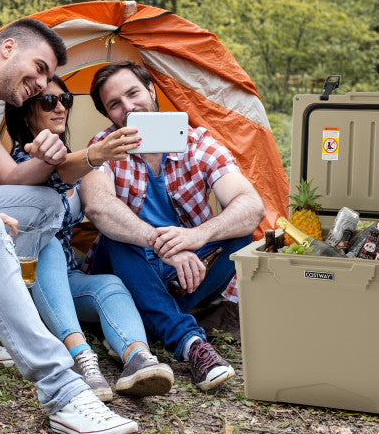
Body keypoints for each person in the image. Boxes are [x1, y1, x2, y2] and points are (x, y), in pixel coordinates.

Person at [0, 19, 137, 434]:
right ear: (8, 48)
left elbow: (12, 177)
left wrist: (52, 154)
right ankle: (63, 391)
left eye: (49, 78)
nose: (41, 84)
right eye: (37, 68)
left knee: (44, 205)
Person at [79, 61, 266, 391]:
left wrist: (195, 237)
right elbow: (97, 206)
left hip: (182, 272)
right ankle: (192, 345)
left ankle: (146, 323)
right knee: (116, 234)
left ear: (151, 91)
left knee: (241, 235)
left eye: (133, 93)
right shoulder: (105, 146)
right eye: (115, 104)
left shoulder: (197, 143)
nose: (128, 107)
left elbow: (251, 206)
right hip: (128, 264)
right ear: (109, 116)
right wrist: (157, 241)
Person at [4, 75, 174, 400]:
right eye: (48, 101)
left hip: (64, 278)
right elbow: (53, 174)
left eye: (65, 100)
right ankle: (81, 357)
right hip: (24, 280)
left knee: (109, 285)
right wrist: (97, 153)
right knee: (47, 242)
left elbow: (72, 173)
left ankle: (137, 358)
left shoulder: (69, 157)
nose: (61, 108)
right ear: (26, 113)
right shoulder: (18, 164)